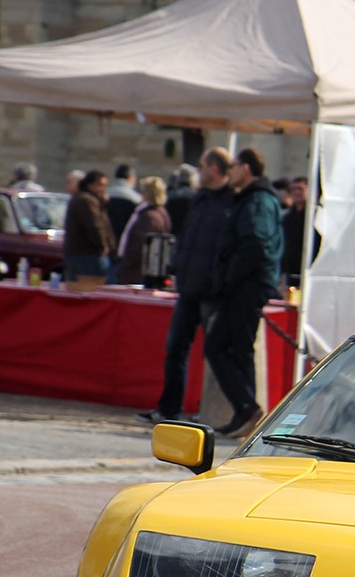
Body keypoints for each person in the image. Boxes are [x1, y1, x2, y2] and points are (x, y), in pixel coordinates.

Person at [138, 148, 234, 426]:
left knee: (215, 351)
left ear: (214, 168)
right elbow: (189, 236)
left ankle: (215, 411)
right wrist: (178, 265)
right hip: (189, 285)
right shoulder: (200, 199)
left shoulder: (230, 201)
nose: (199, 171)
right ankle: (169, 408)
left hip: (211, 288)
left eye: (202, 165)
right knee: (176, 346)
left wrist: (216, 278)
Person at [206, 147, 283, 438]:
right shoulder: (250, 199)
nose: (231, 171)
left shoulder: (258, 200)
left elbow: (255, 244)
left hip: (246, 286)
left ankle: (247, 406)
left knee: (221, 346)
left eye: (235, 165)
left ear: (247, 168)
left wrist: (230, 278)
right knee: (237, 349)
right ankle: (245, 409)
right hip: (244, 284)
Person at [117, 175, 171, 286]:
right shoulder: (162, 213)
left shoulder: (147, 216)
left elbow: (138, 245)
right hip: (148, 270)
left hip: (137, 272)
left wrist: (125, 265)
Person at [62, 170, 113, 281]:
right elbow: (94, 226)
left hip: (84, 254)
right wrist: (102, 245)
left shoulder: (90, 200)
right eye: (100, 185)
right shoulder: (86, 200)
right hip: (86, 254)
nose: (103, 189)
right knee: (89, 289)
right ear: (90, 185)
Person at [278, 174, 319, 287]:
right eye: (294, 189)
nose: (297, 193)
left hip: (307, 270)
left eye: (300, 189)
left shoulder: (315, 217)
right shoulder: (287, 218)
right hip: (290, 272)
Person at [105, 164, 141, 241]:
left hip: (106, 237)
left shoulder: (105, 195)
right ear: (131, 178)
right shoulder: (136, 199)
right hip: (126, 240)